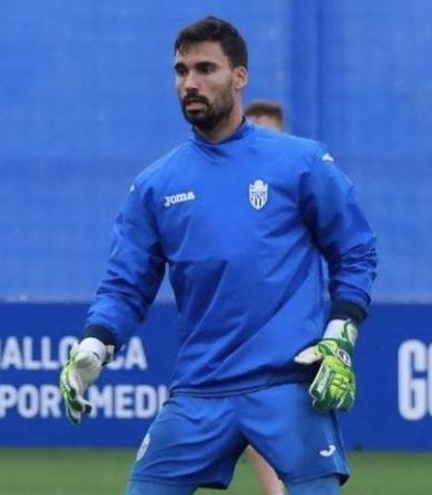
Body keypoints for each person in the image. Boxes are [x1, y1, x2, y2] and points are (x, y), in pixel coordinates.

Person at [60, 16, 377, 495]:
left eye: (205, 68)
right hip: (200, 390)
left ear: (239, 76)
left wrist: (341, 335)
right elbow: (125, 286)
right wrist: (95, 344)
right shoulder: (155, 186)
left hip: (288, 385)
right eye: (181, 70)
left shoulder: (301, 163)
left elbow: (355, 250)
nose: (190, 82)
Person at [244, 98, 288, 495]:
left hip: (296, 319)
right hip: (242, 322)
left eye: (267, 126)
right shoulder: (227, 180)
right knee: (252, 406)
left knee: (298, 412)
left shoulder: (301, 179)